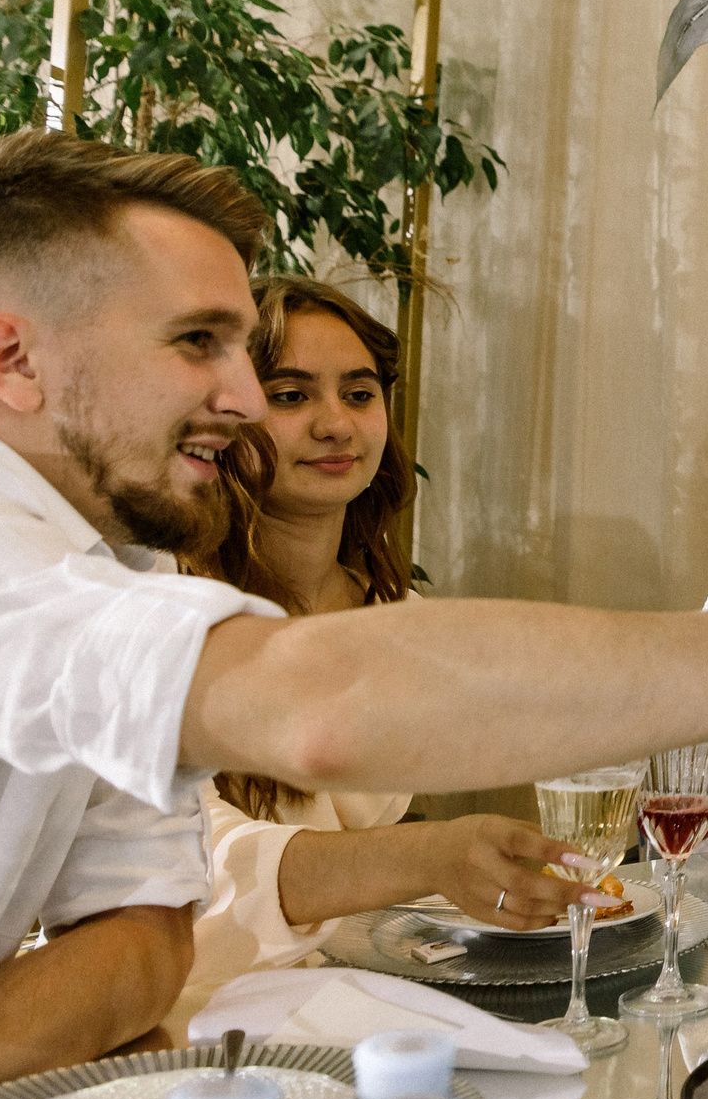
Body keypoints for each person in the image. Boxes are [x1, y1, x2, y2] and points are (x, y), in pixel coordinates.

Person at [0, 131, 708, 1095]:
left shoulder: (114, 565)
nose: (245, 395)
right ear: (10, 357)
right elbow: (321, 704)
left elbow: (142, 941)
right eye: (196, 343)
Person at [179, 278, 594, 1019]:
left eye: (359, 393)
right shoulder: (171, 610)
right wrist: (429, 856)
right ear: (224, 412)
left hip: (355, 1001)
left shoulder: (394, 614)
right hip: (194, 1014)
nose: (336, 424)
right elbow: (202, 864)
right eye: (292, 395)